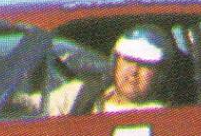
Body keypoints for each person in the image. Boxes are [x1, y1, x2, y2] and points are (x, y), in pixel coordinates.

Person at [13, 24, 173, 116]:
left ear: (160, 74)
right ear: (116, 62)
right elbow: (32, 105)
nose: (133, 71)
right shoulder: (83, 92)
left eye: (145, 65)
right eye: (129, 61)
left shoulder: (159, 115)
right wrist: (11, 100)